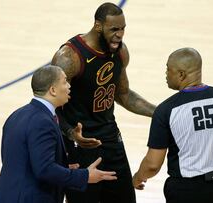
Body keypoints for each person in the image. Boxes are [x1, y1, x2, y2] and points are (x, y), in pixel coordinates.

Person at [51, 2, 156, 203]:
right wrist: (71, 133)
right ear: (98, 26)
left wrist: (159, 111)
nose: (120, 34)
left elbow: (124, 95)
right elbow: (50, 106)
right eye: (114, 29)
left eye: (123, 28)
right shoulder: (70, 57)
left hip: (109, 138)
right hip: (79, 142)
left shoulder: (120, 52)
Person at [132, 48, 213, 203]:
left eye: (168, 69)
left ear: (181, 74)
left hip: (184, 189)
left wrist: (138, 177)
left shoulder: (166, 110)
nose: (166, 74)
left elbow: (153, 164)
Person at [0, 65, 117, 203]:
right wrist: (84, 176)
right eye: (64, 81)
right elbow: (44, 170)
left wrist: (62, 168)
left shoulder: (17, 115)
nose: (69, 86)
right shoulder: (43, 122)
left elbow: (20, 161)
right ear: (53, 90)